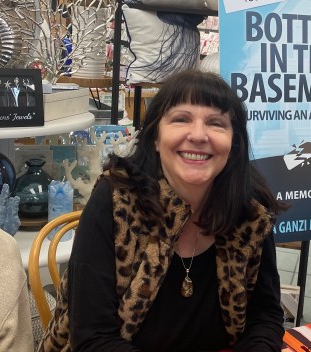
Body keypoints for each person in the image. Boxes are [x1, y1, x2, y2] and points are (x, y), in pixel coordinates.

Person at [39, 69, 288, 351]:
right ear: (155, 138)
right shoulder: (115, 200)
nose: (198, 135)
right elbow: (92, 338)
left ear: (234, 143)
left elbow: (266, 316)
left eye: (216, 123)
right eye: (181, 119)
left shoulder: (250, 212)